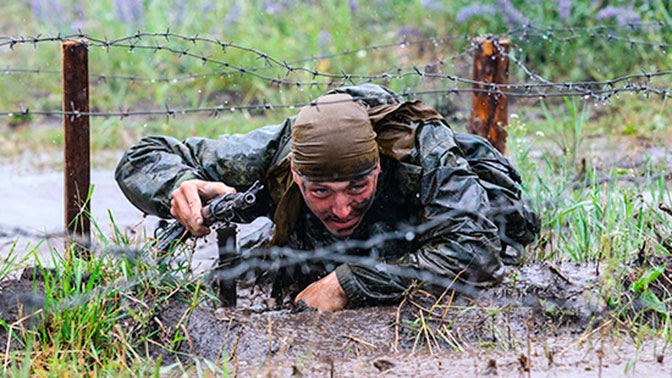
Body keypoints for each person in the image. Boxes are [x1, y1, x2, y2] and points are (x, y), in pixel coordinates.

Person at [115, 84, 540, 312]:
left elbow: (475, 252)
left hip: (416, 238)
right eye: (320, 192)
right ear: (297, 176)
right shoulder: (276, 153)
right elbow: (142, 157)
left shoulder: (425, 154)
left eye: (358, 187)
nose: (341, 208)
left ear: (377, 167)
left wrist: (349, 283)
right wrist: (179, 185)